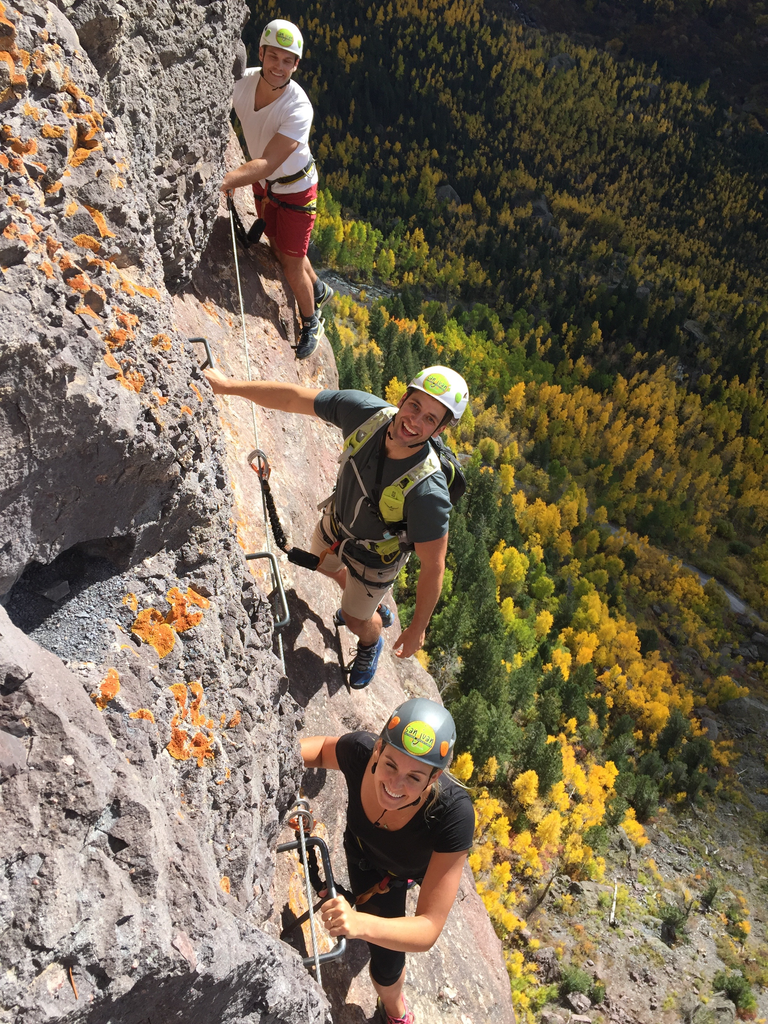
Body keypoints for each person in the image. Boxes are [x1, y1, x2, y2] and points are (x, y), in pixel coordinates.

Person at [203, 365, 469, 688]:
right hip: (336, 528)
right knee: (320, 564)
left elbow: (433, 567)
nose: (415, 421)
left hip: (375, 560)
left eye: (430, 418)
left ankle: (371, 636)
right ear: (403, 398)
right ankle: (365, 601)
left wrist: (417, 627)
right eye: (415, 406)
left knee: (355, 617)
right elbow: (293, 398)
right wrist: (227, 385)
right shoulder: (366, 414)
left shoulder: (429, 493)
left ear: (439, 431)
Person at [301, 698, 474, 1024]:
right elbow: (323, 750)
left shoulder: (452, 815)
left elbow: (428, 928)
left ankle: (396, 1011)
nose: (395, 785)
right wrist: (277, 771)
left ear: (434, 779)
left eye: (414, 777)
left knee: (386, 970)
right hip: (364, 856)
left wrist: (360, 924)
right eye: (391, 764)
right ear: (379, 748)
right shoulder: (360, 753)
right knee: (384, 952)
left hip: (407, 870)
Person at [221, 18, 332, 360]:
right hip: (267, 184)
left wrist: (222, 182)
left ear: (296, 65)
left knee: (290, 264)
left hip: (295, 188)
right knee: (280, 246)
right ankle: (319, 288)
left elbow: (269, 162)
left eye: (288, 61)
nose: (279, 67)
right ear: (261, 53)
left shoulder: (298, 108)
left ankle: (312, 319)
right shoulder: (242, 83)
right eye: (274, 57)